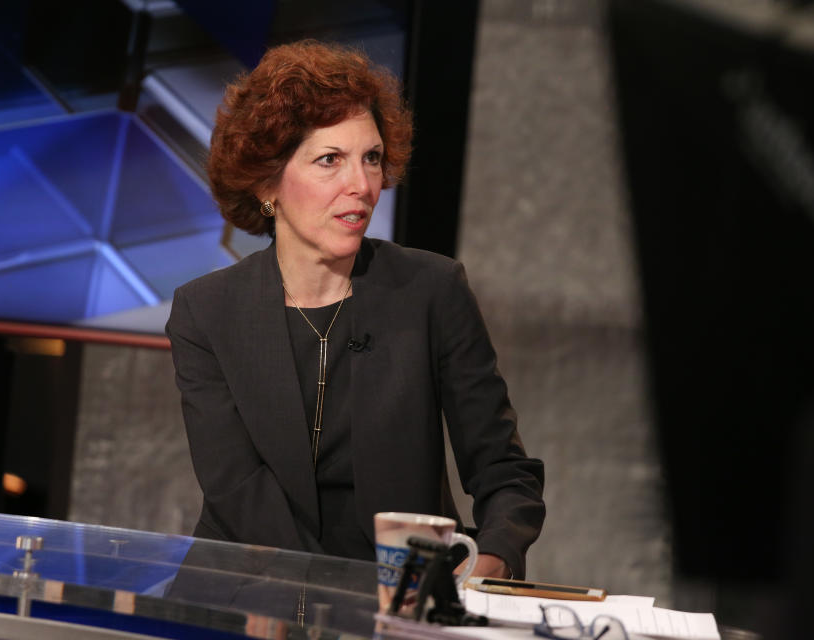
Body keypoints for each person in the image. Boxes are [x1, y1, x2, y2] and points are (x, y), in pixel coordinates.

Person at [166, 40, 545, 580]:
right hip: (252, 585)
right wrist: (334, 602)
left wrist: (491, 562)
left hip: (406, 591)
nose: (362, 185)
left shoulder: (432, 290)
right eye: (330, 160)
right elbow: (237, 490)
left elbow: (504, 470)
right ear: (267, 182)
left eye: (370, 158)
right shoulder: (205, 311)